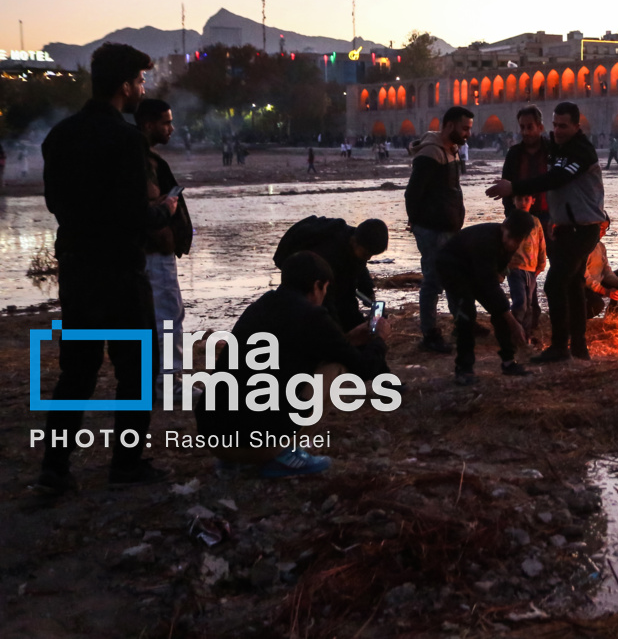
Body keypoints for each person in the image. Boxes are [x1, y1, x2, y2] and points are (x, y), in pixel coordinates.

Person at [37, 43, 177, 494]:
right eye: (140, 81)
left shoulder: (59, 136)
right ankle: (126, 465)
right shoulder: (125, 139)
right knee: (134, 370)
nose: (143, 88)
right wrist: (166, 211)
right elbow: (135, 214)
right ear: (124, 86)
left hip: (77, 270)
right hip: (120, 271)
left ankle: (55, 471)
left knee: (75, 373)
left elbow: (56, 203)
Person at [194, 251, 391, 478]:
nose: (324, 296)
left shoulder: (262, 306)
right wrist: (379, 340)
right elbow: (364, 369)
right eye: (325, 289)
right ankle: (283, 454)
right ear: (317, 285)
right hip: (258, 445)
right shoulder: (312, 315)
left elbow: (302, 348)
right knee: (336, 367)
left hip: (215, 441)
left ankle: (238, 462)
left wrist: (349, 339)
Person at [486, 101, 606, 363]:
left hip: (583, 229)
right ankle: (578, 347)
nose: (558, 130)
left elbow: (556, 180)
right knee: (573, 285)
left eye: (564, 126)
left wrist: (515, 187)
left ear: (577, 125)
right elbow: (556, 186)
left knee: (554, 283)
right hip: (562, 227)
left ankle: (561, 346)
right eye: (555, 125)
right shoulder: (555, 148)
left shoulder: (581, 151)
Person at [436, 212, 535, 385]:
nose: (511, 243)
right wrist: (513, 322)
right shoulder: (486, 241)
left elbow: (494, 279)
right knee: (467, 314)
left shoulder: (509, 245)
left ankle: (508, 361)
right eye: (509, 237)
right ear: (504, 228)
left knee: (500, 311)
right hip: (452, 267)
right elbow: (488, 284)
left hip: (476, 268)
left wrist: (506, 314)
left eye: (517, 240)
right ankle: (464, 368)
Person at [136, 98, 194, 388]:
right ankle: (169, 383)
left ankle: (166, 378)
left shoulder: (144, 156)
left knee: (165, 314)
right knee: (168, 315)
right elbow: (145, 208)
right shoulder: (141, 159)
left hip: (152, 251)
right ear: (149, 125)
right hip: (154, 251)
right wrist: (166, 209)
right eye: (166, 122)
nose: (171, 128)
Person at [406, 106, 473, 353]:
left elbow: (452, 191)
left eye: (469, 128)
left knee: (454, 277)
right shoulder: (431, 154)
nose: (467, 133)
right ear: (449, 126)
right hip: (432, 230)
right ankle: (430, 333)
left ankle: (462, 322)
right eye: (464, 128)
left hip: (448, 228)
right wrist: (417, 223)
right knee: (433, 281)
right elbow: (413, 193)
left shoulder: (451, 151)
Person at [273, 216, 389, 332]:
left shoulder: (359, 238)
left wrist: (368, 291)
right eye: (366, 254)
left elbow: (359, 268)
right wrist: (339, 335)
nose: (368, 258)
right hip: (301, 273)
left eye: (371, 255)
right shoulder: (329, 256)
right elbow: (331, 301)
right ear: (353, 242)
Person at [501, 105, 552, 230]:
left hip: (549, 219)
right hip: (521, 219)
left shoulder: (552, 151)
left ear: (540, 127)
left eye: (530, 127)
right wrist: (512, 216)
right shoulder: (514, 154)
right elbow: (507, 190)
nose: (525, 132)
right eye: (522, 127)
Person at [507, 195, 546, 345]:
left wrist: (541, 264)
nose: (523, 203)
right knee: (520, 302)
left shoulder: (536, 222)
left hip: (531, 269)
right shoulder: (510, 221)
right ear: (513, 200)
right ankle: (515, 333)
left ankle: (526, 333)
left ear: (533, 200)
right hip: (515, 268)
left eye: (526, 199)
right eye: (519, 199)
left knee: (529, 303)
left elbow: (541, 244)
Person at [585, 220, 618, 317]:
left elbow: (606, 272)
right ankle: (575, 320)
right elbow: (584, 278)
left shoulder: (600, 246)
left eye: (605, 229)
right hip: (582, 289)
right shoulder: (582, 248)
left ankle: (616, 313)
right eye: (601, 228)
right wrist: (606, 292)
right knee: (597, 304)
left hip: (597, 283)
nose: (604, 232)